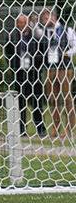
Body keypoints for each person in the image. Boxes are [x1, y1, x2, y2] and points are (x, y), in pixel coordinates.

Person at [5, 14, 46, 137]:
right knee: (20, 103)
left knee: (36, 102)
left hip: (34, 73)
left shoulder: (36, 36)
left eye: (24, 22)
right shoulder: (12, 36)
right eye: (20, 23)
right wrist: (14, 67)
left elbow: (42, 52)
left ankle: (41, 129)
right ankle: (21, 129)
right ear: (17, 24)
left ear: (28, 23)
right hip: (19, 74)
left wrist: (36, 65)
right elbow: (8, 53)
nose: (22, 25)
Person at [40, 8, 76, 139]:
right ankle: (55, 128)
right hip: (50, 68)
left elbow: (75, 46)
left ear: (53, 17)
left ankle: (69, 129)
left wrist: (67, 54)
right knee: (52, 99)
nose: (44, 21)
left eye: (45, 18)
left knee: (66, 98)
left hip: (65, 68)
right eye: (43, 19)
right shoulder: (44, 32)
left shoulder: (68, 30)